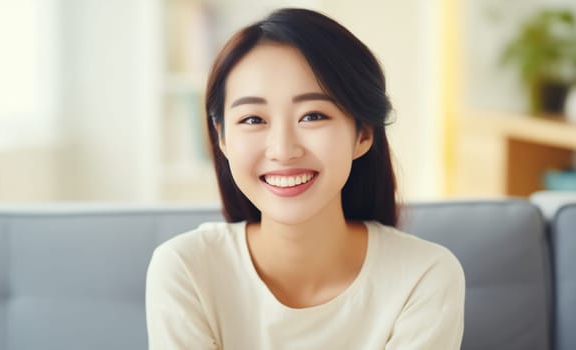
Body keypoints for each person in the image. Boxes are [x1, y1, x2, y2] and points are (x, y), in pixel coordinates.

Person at [146, 8, 465, 349]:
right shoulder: (186, 269)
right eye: (253, 119)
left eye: (312, 115)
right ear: (222, 138)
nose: (283, 150)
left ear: (363, 134)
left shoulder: (424, 276)